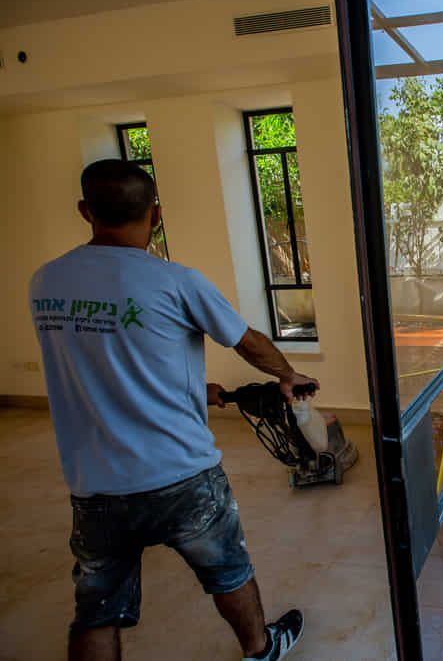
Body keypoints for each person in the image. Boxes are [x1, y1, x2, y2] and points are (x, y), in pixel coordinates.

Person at [29, 159, 312, 661]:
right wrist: (287, 375)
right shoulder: (176, 281)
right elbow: (246, 343)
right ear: (156, 214)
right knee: (228, 570)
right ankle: (259, 648)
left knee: (97, 612)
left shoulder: (46, 283)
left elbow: (101, 360)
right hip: (181, 475)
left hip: (95, 483)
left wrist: (188, 389)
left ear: (84, 210)